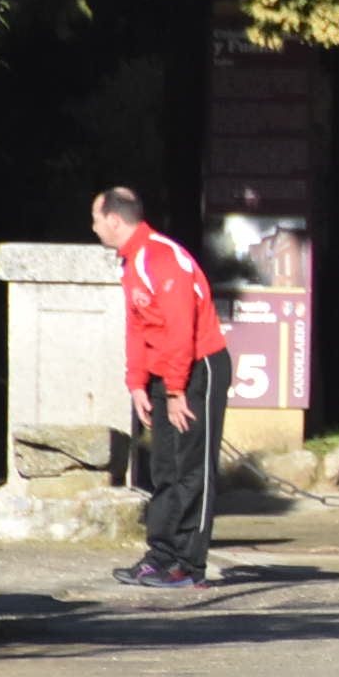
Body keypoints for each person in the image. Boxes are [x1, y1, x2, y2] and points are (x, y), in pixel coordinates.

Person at [89, 188, 234, 590]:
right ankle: (161, 555)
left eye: (96, 218)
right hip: (162, 371)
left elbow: (179, 328)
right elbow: (138, 324)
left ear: (114, 220)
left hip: (196, 366)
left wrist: (176, 391)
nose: (94, 227)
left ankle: (189, 565)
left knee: (192, 467)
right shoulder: (130, 261)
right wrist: (136, 381)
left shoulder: (160, 256)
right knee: (165, 467)